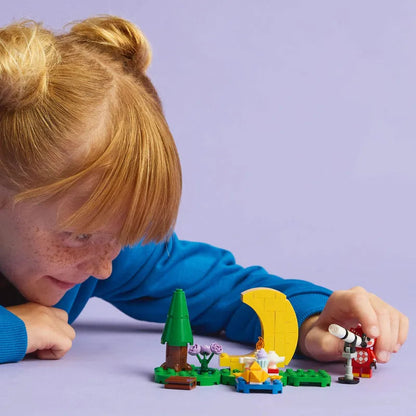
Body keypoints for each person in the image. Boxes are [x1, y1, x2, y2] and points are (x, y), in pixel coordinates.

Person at [0, 16, 408, 365]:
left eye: (120, 235)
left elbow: (228, 291)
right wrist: (14, 331)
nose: (103, 268)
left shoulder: (107, 254)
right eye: (80, 235)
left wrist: (313, 321)